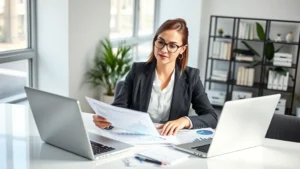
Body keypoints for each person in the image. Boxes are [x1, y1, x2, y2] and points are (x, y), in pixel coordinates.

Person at [93, 18, 218, 136]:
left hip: (171, 141)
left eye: (172, 45)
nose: (164, 50)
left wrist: (184, 121)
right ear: (155, 42)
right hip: (138, 138)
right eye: (161, 42)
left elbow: (211, 117)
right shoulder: (137, 71)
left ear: (182, 49)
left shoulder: (191, 77)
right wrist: (106, 122)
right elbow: (118, 110)